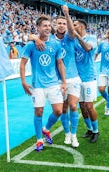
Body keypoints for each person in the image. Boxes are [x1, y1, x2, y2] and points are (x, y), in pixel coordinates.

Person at [30, 5, 81, 148]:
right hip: (56, 80)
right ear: (55, 25)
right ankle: (66, 134)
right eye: (59, 23)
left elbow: (72, 30)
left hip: (73, 78)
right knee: (62, 109)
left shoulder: (70, 38)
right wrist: (34, 37)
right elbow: (31, 36)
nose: (62, 25)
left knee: (73, 106)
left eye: (64, 23)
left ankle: (74, 136)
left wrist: (66, 14)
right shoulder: (50, 40)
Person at [20, 15, 66, 151]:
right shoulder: (31, 45)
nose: (47, 28)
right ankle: (39, 140)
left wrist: (63, 81)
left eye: (49, 25)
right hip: (37, 85)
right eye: (44, 26)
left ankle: (46, 129)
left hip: (53, 83)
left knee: (58, 111)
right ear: (38, 28)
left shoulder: (55, 44)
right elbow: (22, 64)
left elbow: (60, 63)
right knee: (39, 111)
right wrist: (23, 82)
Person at [73, 19, 99, 143]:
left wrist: (77, 36)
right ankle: (89, 129)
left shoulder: (92, 38)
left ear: (82, 26)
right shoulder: (72, 41)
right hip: (78, 78)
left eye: (75, 25)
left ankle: (96, 131)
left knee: (89, 106)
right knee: (82, 106)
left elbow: (88, 48)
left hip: (89, 77)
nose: (72, 27)